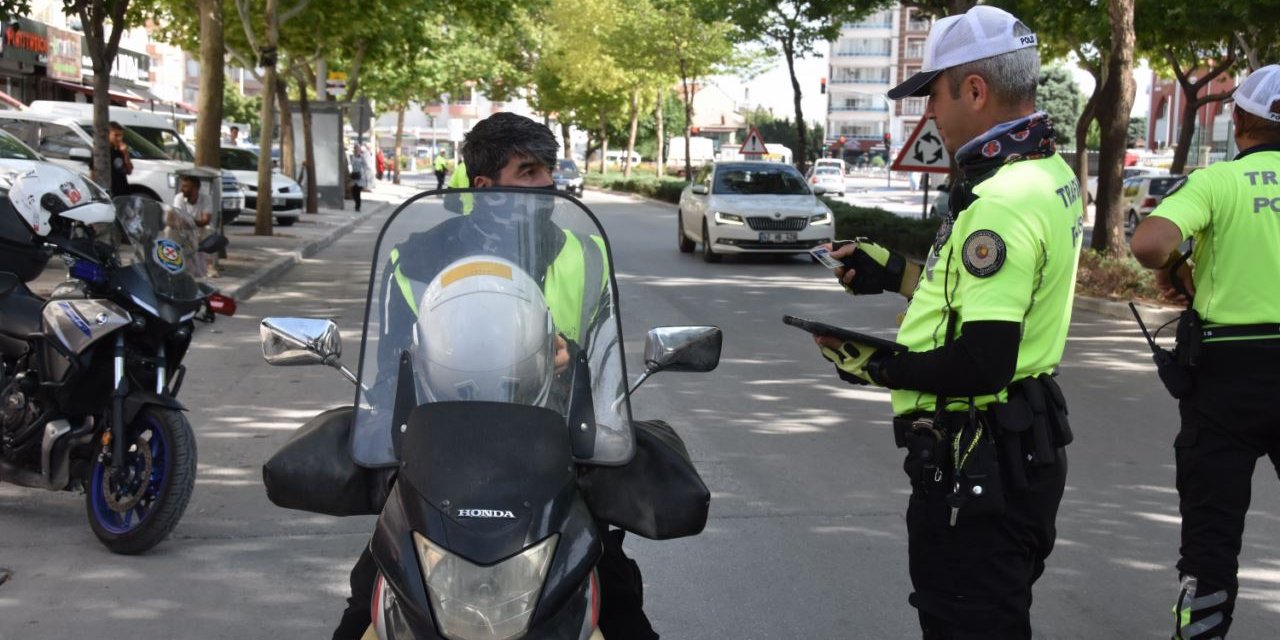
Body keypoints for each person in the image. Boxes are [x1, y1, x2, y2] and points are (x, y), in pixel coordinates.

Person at [813, 7, 1083, 638]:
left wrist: (880, 365)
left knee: (967, 621)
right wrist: (895, 275)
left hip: (979, 455)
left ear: (975, 89)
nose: (929, 113)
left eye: (932, 93)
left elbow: (983, 358)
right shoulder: (1049, 175)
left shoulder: (1001, 203)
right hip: (1023, 439)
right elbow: (998, 298)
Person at [333, 112, 653, 640]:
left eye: (548, 169)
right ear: (484, 185)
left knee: (621, 606)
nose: (547, 184)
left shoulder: (586, 256)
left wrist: (572, 364)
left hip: (555, 465)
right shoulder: (412, 261)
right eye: (527, 171)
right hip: (439, 471)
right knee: (365, 606)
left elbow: (605, 371)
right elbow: (390, 377)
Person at [1130, 64, 1280, 640]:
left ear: (1239, 119)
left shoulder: (1220, 183)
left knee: (1212, 537)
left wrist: (1179, 268)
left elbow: (1150, 243)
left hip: (1228, 378)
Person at [170, 175, 216, 278]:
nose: (182, 189)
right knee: (168, 230)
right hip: (183, 228)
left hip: (199, 228)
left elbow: (206, 220)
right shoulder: (179, 197)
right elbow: (177, 218)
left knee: (209, 229)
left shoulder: (206, 199)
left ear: (195, 188)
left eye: (186, 186)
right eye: (182, 186)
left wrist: (189, 221)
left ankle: (209, 265)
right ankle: (172, 261)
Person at [108, 121, 132, 197]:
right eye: (116, 135)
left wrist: (125, 154)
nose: (119, 139)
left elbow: (129, 171)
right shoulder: (103, 152)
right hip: (110, 192)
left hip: (122, 192)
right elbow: (93, 172)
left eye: (121, 136)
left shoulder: (120, 150)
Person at [349, 145, 370, 212]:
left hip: (360, 177)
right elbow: (350, 165)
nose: (357, 151)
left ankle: (357, 206)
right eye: (356, 149)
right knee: (353, 192)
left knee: (358, 192)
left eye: (358, 149)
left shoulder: (362, 157)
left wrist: (365, 175)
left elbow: (366, 166)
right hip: (353, 176)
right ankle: (356, 203)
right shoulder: (352, 157)